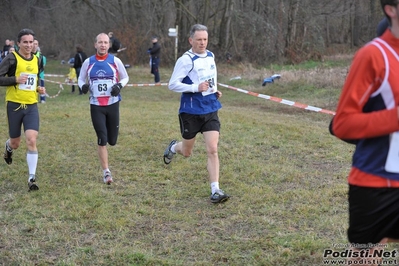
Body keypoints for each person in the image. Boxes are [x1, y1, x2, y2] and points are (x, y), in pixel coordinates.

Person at [331, 0, 399, 263]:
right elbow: (342, 124)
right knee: (365, 257)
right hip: (375, 182)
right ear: (390, 9)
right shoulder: (373, 55)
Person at [163, 24, 230, 204]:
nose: (202, 43)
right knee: (187, 152)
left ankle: (215, 190)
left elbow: (209, 78)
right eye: (199, 39)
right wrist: (195, 88)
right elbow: (172, 84)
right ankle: (173, 148)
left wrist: (215, 90)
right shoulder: (185, 60)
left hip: (210, 108)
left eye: (205, 39)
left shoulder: (210, 56)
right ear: (191, 40)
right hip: (190, 111)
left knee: (213, 149)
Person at [78, 33, 129, 185]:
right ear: (95, 44)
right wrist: (83, 86)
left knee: (112, 140)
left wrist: (119, 86)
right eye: (100, 42)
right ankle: (106, 172)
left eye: (106, 42)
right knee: (102, 139)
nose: (103, 45)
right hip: (96, 106)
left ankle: (108, 149)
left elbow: (125, 77)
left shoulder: (115, 61)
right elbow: (80, 79)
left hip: (112, 104)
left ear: (109, 45)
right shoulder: (88, 62)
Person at [0, 28, 46, 191]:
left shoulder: (37, 60)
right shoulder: (11, 59)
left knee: (32, 140)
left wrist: (39, 90)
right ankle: (8, 147)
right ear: (18, 43)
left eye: (31, 42)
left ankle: (31, 178)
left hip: (31, 106)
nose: (28, 45)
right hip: (14, 106)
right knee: (16, 142)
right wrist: (15, 80)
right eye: (24, 42)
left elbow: (34, 81)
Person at [32, 38, 47, 103]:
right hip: (31, 75)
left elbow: (43, 66)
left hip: (40, 75)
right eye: (33, 44)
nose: (35, 45)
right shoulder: (28, 55)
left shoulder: (41, 56)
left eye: (36, 44)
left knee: (41, 87)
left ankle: (43, 99)